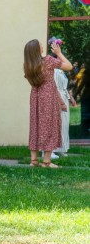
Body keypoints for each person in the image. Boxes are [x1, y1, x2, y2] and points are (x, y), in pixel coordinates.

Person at [23, 39, 71, 168]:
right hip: (48, 97)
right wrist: (59, 53)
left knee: (36, 125)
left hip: (35, 97)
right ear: (37, 50)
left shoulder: (27, 65)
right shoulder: (48, 60)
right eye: (40, 45)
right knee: (50, 126)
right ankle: (47, 162)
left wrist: (61, 102)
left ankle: (34, 161)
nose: (43, 46)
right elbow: (69, 66)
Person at [53, 63, 75, 156]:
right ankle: (52, 149)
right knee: (56, 123)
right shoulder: (54, 71)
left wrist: (71, 98)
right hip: (57, 97)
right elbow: (54, 88)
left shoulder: (62, 72)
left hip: (65, 97)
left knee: (64, 123)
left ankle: (61, 147)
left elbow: (65, 88)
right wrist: (61, 102)